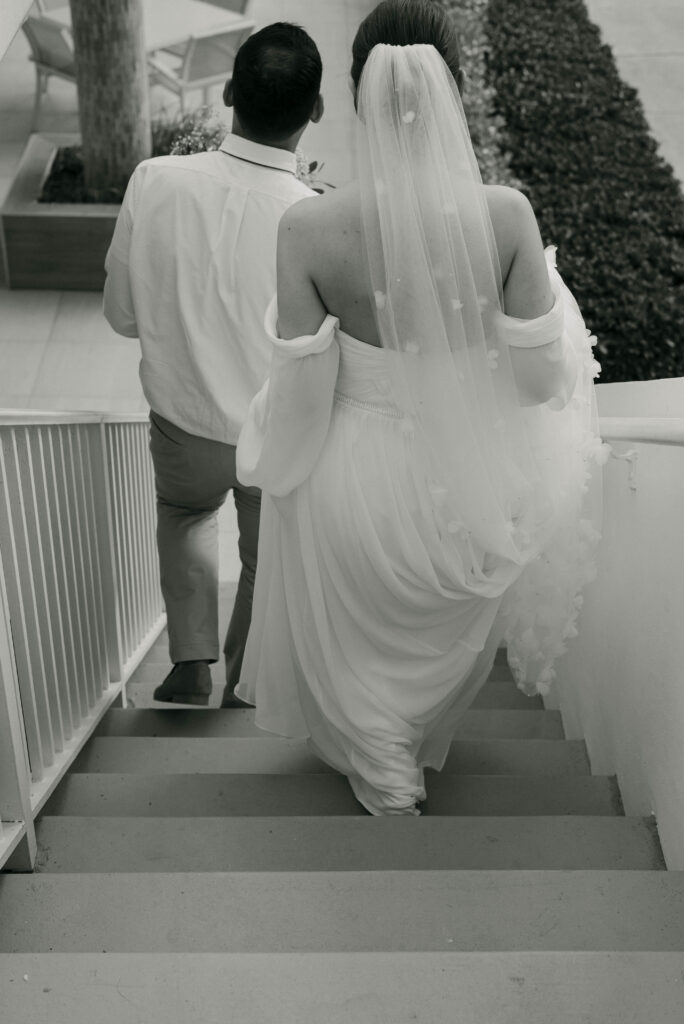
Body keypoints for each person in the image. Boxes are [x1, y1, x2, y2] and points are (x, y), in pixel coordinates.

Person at [235, 0, 605, 814]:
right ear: (453, 92)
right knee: (431, 637)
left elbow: (299, 388)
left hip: (353, 479)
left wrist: (273, 458)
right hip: (461, 486)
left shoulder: (307, 228)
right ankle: (394, 754)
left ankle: (382, 761)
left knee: (362, 644)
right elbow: (544, 382)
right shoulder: (505, 216)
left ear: (359, 95)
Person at [103, 23, 323, 707]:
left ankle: (191, 664)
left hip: (182, 423)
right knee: (264, 559)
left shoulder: (155, 179)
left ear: (228, 92)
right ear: (314, 112)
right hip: (271, 434)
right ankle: (245, 682)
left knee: (185, 519)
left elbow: (121, 314)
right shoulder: (313, 219)